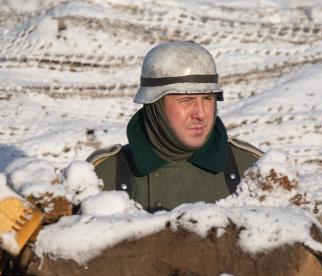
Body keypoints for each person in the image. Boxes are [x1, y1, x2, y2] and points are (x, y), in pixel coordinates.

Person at [87, 41, 262, 212]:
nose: (201, 114)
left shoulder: (250, 167)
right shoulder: (105, 174)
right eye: (186, 100)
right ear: (155, 106)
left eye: (208, 99)